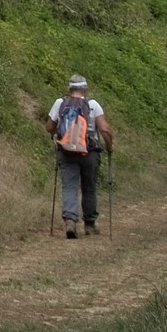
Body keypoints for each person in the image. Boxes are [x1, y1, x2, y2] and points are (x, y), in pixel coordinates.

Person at [46, 75, 110, 238]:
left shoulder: (60, 103)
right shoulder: (93, 105)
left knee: (69, 186)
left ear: (69, 89)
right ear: (85, 89)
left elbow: (49, 127)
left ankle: (70, 222)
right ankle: (89, 225)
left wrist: (60, 135)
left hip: (66, 151)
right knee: (89, 187)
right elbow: (104, 129)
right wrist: (109, 146)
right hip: (89, 152)